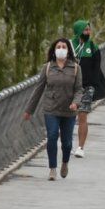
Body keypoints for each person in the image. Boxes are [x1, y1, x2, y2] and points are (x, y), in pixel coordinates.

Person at [24, 39, 84, 178]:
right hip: (51, 109)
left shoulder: (75, 68)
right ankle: (52, 168)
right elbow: (38, 90)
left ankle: (65, 162)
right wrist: (29, 110)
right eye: (58, 47)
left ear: (68, 50)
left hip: (69, 111)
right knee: (51, 136)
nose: (61, 49)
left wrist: (76, 103)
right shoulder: (47, 68)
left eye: (64, 47)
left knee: (67, 143)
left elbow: (79, 89)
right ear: (54, 50)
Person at [71, 20, 105, 158]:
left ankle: (81, 147)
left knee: (82, 115)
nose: (87, 32)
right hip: (70, 88)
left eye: (89, 30)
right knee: (69, 117)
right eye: (85, 30)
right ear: (78, 31)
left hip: (87, 87)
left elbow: (96, 68)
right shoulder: (69, 46)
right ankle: (68, 144)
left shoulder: (93, 47)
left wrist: (92, 86)